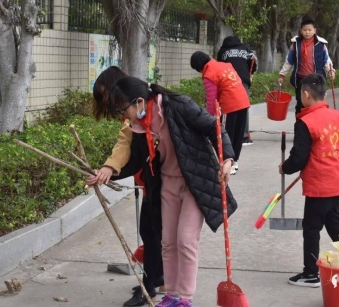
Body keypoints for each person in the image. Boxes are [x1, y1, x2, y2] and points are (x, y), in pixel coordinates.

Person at [87, 76, 238, 307]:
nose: (122, 115)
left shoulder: (176, 105)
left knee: (186, 240)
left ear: (138, 101)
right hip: (167, 183)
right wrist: (107, 173)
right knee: (167, 241)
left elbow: (213, 126)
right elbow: (137, 159)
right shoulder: (139, 124)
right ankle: (172, 295)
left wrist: (227, 158)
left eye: (123, 108)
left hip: (194, 182)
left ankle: (185, 299)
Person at [92, 66, 165, 307]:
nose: (106, 102)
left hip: (165, 180)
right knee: (154, 231)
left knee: (152, 232)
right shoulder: (131, 110)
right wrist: (110, 170)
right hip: (152, 180)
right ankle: (157, 277)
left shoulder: (147, 108)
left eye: (105, 95)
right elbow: (128, 146)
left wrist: (110, 169)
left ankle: (149, 287)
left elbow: (127, 144)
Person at [279, 73, 339, 287]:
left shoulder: (305, 122)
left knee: (311, 227)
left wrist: (284, 168)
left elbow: (299, 157)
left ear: (305, 94)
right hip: (337, 182)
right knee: (334, 224)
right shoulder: (338, 116)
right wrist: (333, 153)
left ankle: (311, 273)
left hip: (319, 186)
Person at [190, 51, 250, 175]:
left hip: (230, 104)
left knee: (226, 135)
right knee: (238, 134)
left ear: (198, 67)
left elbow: (211, 100)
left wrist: (209, 120)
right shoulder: (225, 65)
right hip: (243, 101)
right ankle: (235, 162)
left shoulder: (209, 73)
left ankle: (228, 164)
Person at [278, 18, 335, 115]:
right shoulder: (295, 45)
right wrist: (282, 75)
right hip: (301, 80)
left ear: (314, 30)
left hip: (316, 80)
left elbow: (326, 60)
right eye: (304, 30)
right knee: (300, 105)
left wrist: (331, 71)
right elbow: (289, 61)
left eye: (309, 30)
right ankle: (300, 127)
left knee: (316, 105)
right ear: (301, 31)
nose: (307, 32)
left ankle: (314, 128)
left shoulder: (321, 45)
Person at [217, 36, 258, 145]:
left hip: (228, 80)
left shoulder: (222, 51)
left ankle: (227, 135)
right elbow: (253, 60)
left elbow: (219, 66)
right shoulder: (245, 49)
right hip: (243, 80)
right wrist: (251, 74)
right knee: (243, 106)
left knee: (228, 107)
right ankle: (243, 137)